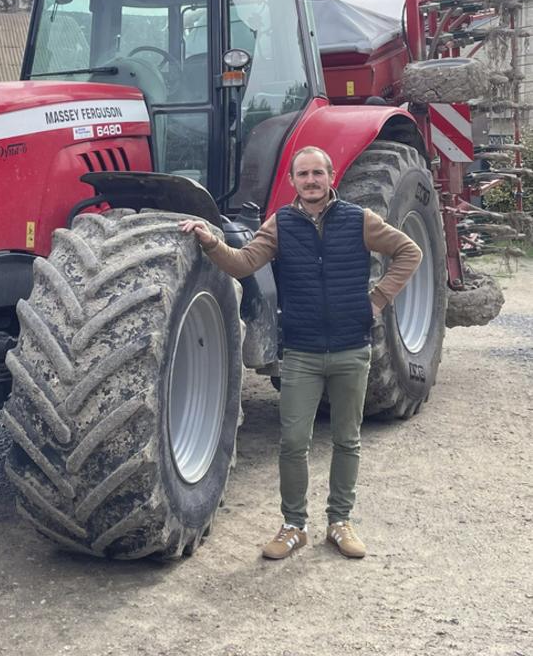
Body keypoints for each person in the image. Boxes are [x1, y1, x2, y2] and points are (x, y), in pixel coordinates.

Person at [179, 145, 422, 561]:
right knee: (293, 442)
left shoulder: (360, 220)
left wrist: (376, 301)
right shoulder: (280, 225)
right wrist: (210, 241)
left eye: (317, 173)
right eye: (303, 174)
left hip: (351, 350)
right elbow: (242, 263)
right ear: (292, 181)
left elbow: (409, 252)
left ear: (331, 178)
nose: (311, 181)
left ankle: (340, 522)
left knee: (347, 440)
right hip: (302, 354)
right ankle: (294, 525)